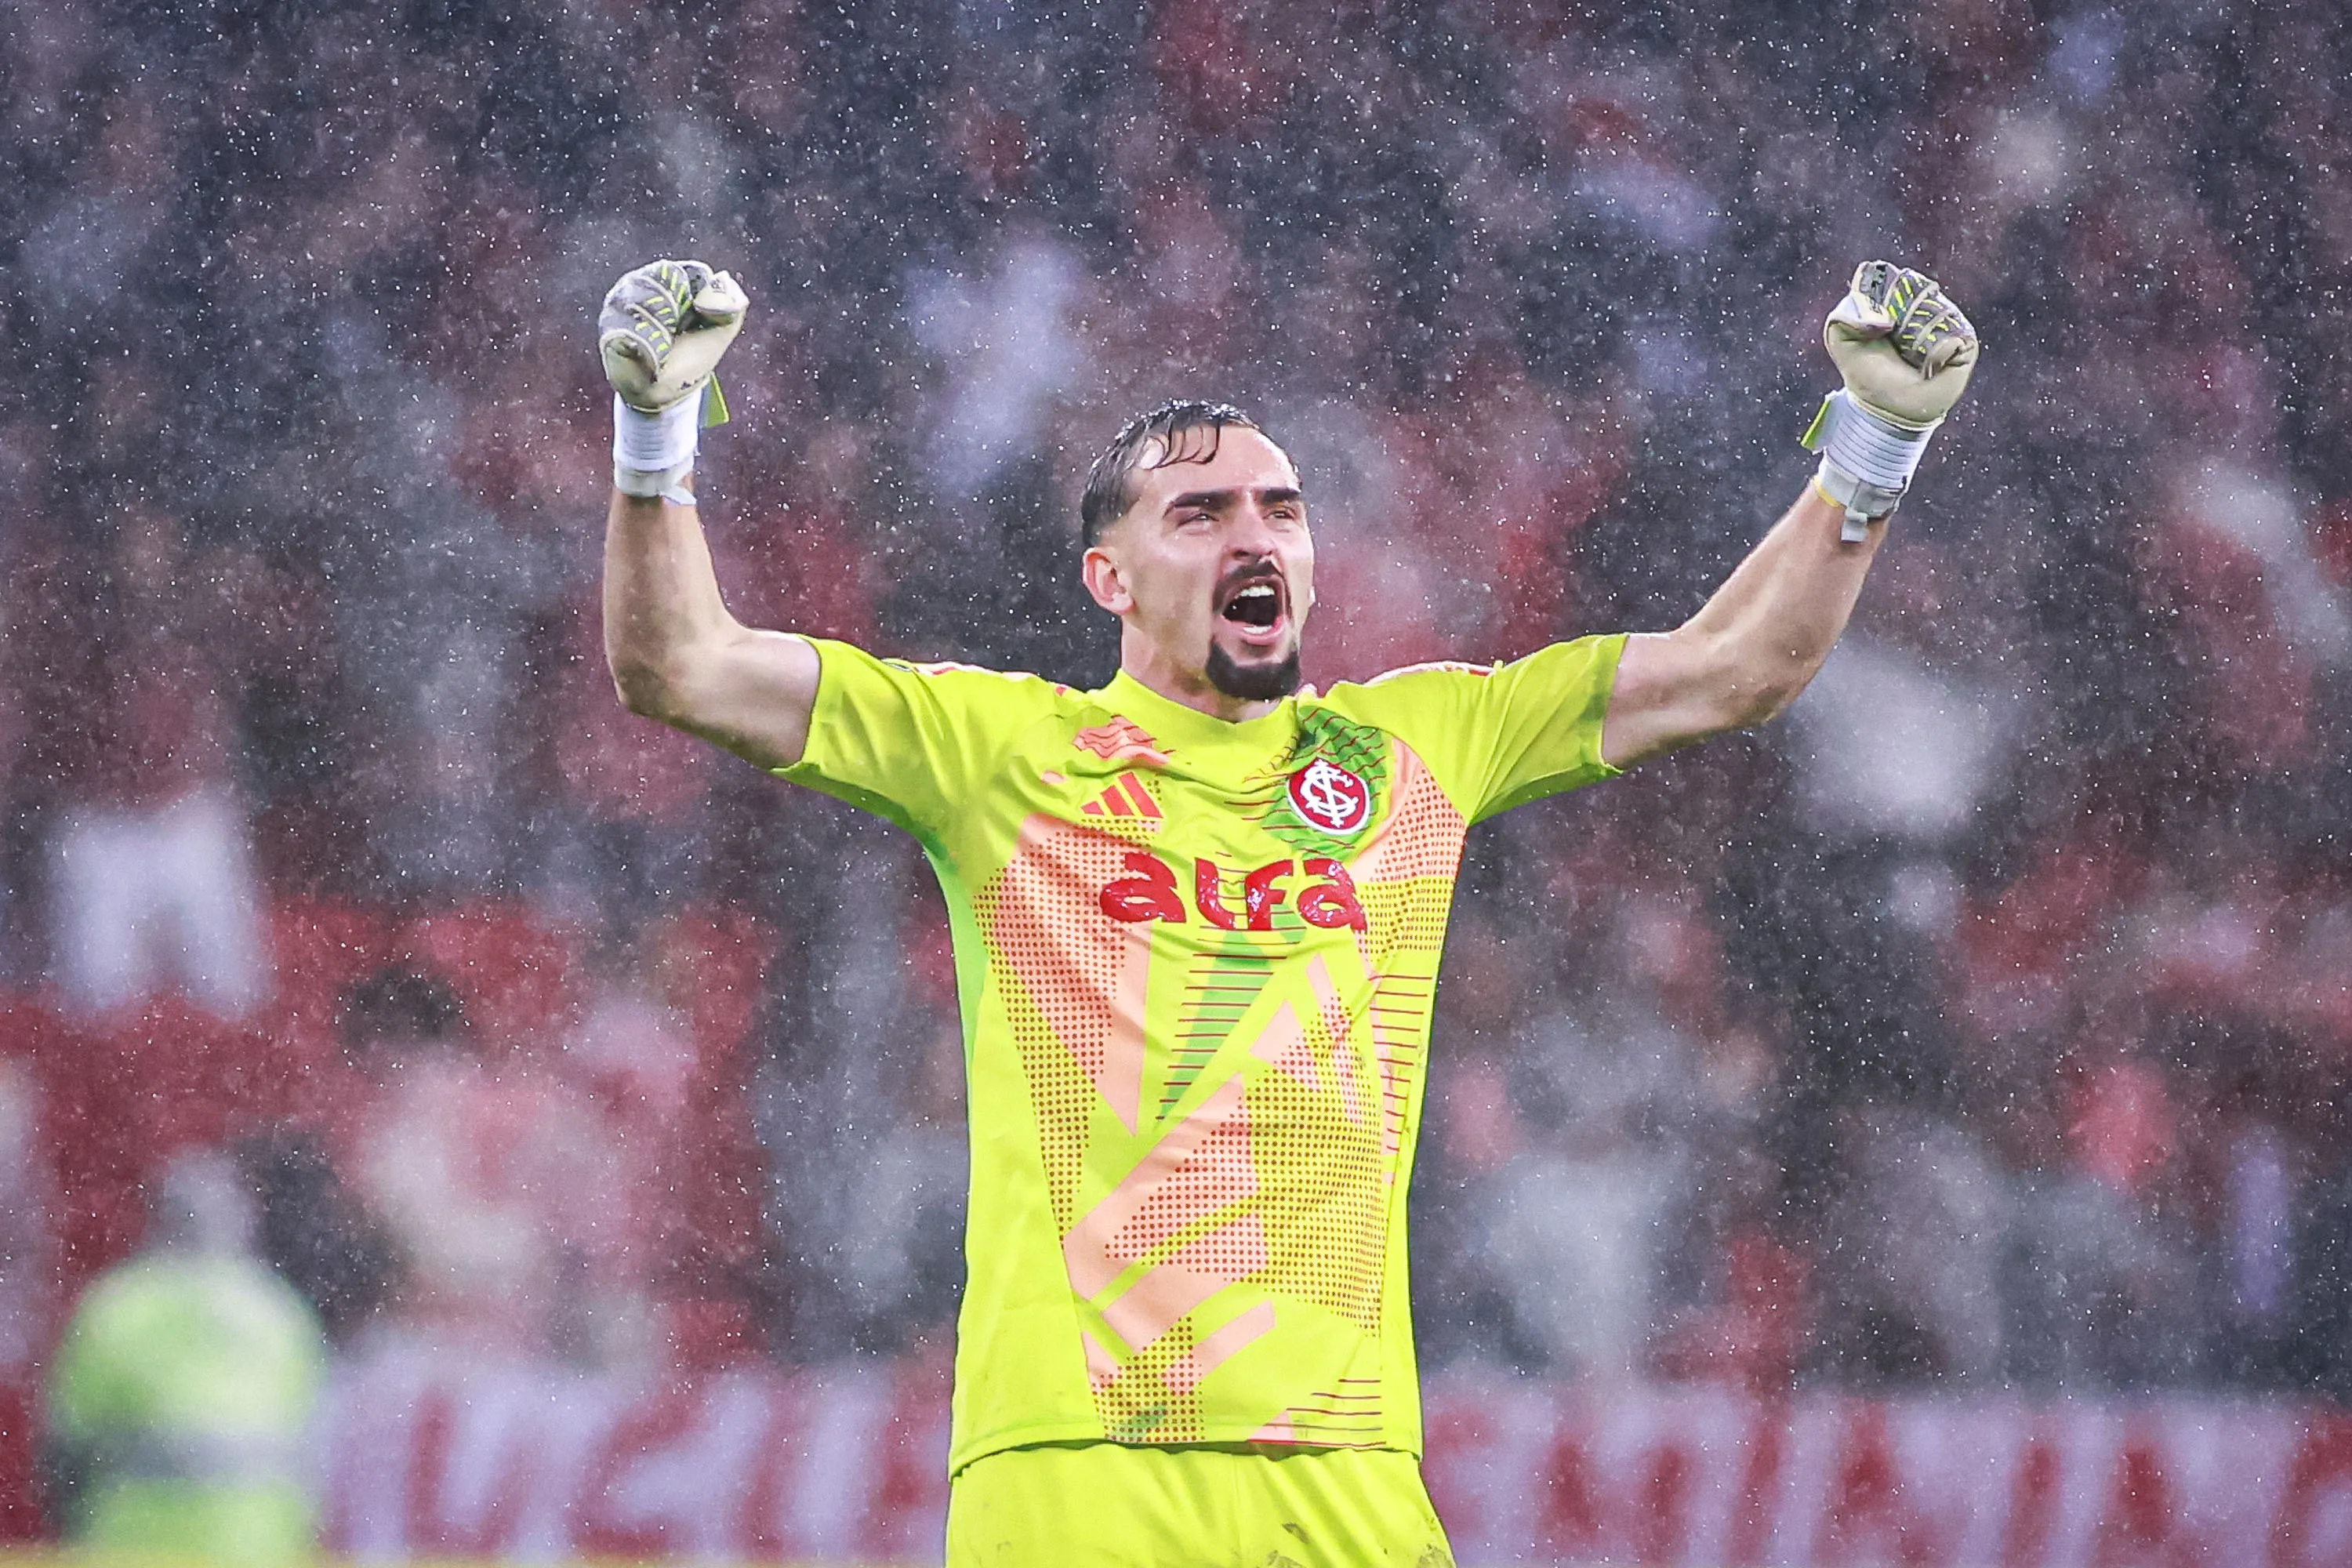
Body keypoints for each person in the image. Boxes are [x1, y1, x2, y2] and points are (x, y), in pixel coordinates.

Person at [596, 257, 1977, 1564]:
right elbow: (680, 663)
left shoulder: (1419, 750)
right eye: (1199, 513)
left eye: (1281, 508)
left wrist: (1873, 448)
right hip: (1079, 1463)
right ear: (1111, 578)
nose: (1254, 532)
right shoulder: (1001, 753)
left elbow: (1736, 668)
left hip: (1345, 1474)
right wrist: (657, 431)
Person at [42, 1149, 328, 1565]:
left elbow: (65, 1447)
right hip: (256, 1542)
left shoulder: (118, 1306)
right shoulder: (278, 1310)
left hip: (134, 1541)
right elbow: (316, 1442)